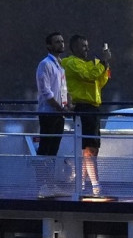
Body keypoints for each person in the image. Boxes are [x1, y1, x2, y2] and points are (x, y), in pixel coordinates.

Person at [61, 34, 111, 197]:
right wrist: (103, 63)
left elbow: (99, 81)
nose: (87, 49)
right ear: (74, 48)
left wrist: (105, 65)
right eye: (83, 46)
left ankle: (82, 185)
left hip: (92, 108)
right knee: (88, 148)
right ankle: (95, 186)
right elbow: (89, 75)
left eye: (87, 46)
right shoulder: (71, 63)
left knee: (90, 148)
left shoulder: (88, 65)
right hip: (82, 107)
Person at [35, 32, 69, 197]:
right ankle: (43, 185)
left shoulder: (60, 65)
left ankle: (50, 184)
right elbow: (46, 91)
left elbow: (62, 90)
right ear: (49, 46)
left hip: (58, 114)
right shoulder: (45, 64)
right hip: (49, 113)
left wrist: (67, 105)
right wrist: (59, 107)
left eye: (62, 41)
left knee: (53, 150)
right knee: (45, 149)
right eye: (57, 42)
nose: (61, 44)